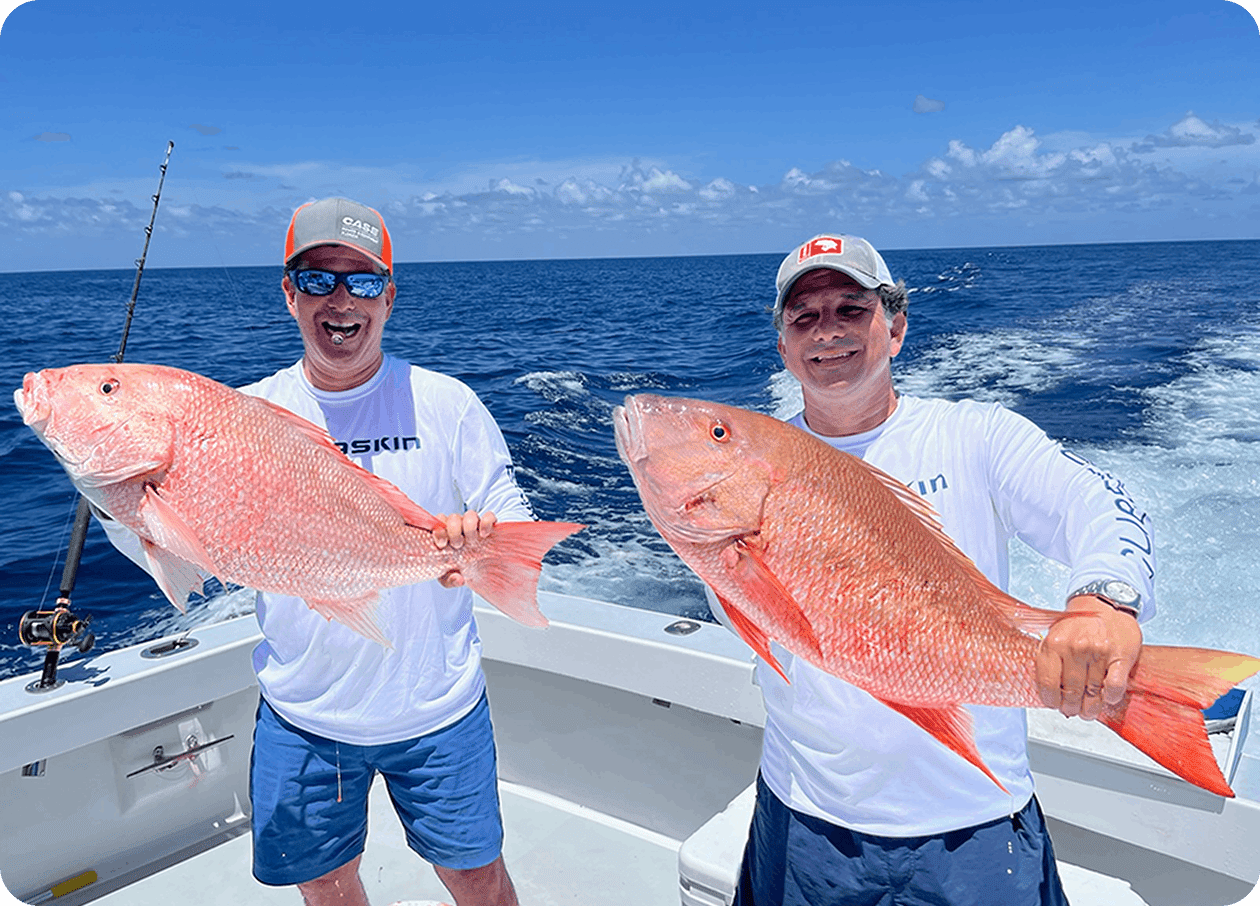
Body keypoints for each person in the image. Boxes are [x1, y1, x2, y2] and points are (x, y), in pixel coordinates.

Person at [104, 197, 529, 906]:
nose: (340, 300)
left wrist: (478, 538)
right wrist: (120, 498)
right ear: (288, 294)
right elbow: (172, 550)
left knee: (475, 877)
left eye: (362, 281)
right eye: (316, 279)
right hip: (304, 716)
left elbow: (511, 521)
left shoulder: (447, 404)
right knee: (326, 886)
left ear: (389, 296)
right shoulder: (241, 417)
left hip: (439, 710)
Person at [723, 233, 1153, 906]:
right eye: (804, 317)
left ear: (895, 328)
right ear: (783, 349)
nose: (827, 331)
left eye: (850, 309)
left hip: (974, 826)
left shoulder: (976, 435)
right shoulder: (746, 467)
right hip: (807, 820)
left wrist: (1105, 600)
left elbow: (1096, 501)